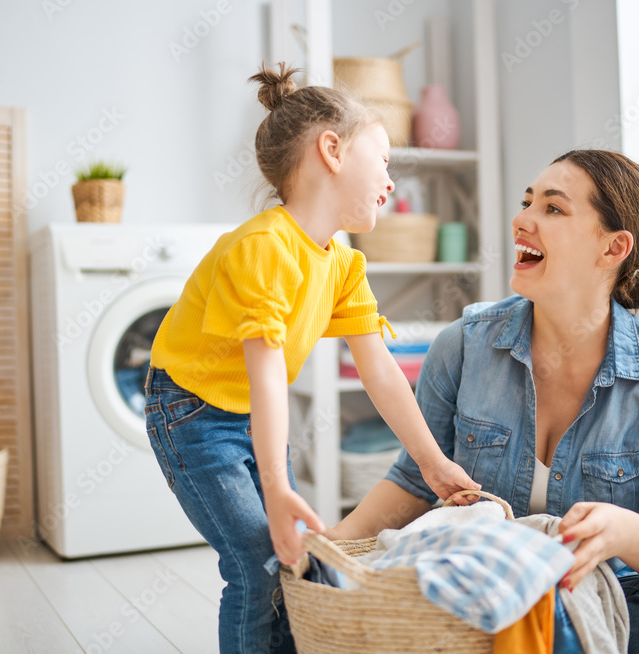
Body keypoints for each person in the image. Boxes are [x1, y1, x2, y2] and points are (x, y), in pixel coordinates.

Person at [328, 150, 639, 653]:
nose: (521, 220)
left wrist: (623, 532)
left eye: (552, 208)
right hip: (472, 578)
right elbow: (415, 481)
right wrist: (331, 548)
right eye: (527, 202)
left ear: (613, 248)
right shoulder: (463, 344)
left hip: (589, 591)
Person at [143, 62, 481, 654]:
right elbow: (269, 375)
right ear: (332, 150)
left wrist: (431, 463)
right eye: (382, 161)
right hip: (191, 412)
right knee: (255, 561)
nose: (390, 181)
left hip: (248, 412)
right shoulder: (263, 248)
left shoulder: (344, 261)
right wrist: (276, 487)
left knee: (287, 555)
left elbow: (379, 370)